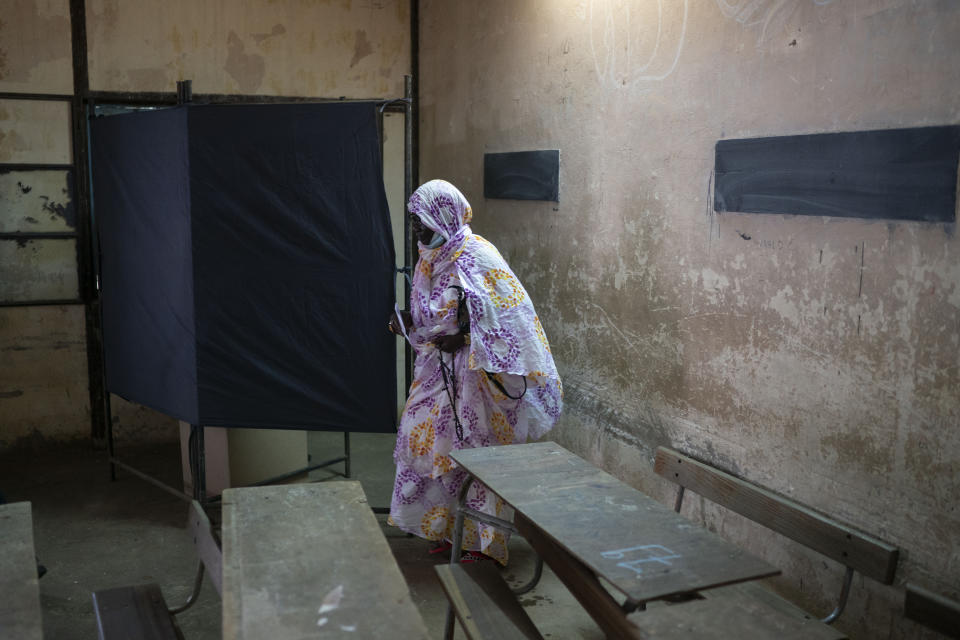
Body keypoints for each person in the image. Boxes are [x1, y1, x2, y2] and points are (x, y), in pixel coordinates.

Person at [387, 179, 562, 564]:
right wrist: (409, 328)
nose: (418, 231)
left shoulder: (478, 255)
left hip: (476, 380)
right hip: (437, 374)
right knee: (431, 447)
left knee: (478, 459)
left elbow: (513, 320)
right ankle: (447, 529)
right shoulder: (429, 261)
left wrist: (465, 337)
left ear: (445, 216)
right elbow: (430, 319)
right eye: (415, 223)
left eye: (423, 222)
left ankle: (484, 545)